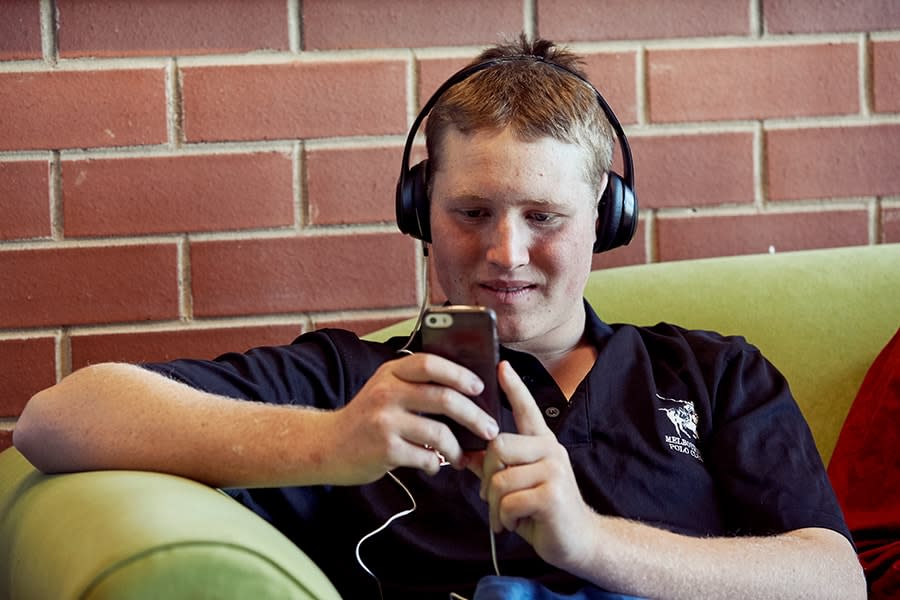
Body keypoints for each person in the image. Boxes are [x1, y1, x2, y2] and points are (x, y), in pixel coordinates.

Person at [13, 35, 865, 599]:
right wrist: (333, 445)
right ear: (420, 210)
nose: (505, 253)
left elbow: (835, 580)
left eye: (543, 217)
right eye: (470, 213)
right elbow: (56, 421)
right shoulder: (352, 383)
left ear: (604, 216)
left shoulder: (712, 375)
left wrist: (591, 543)